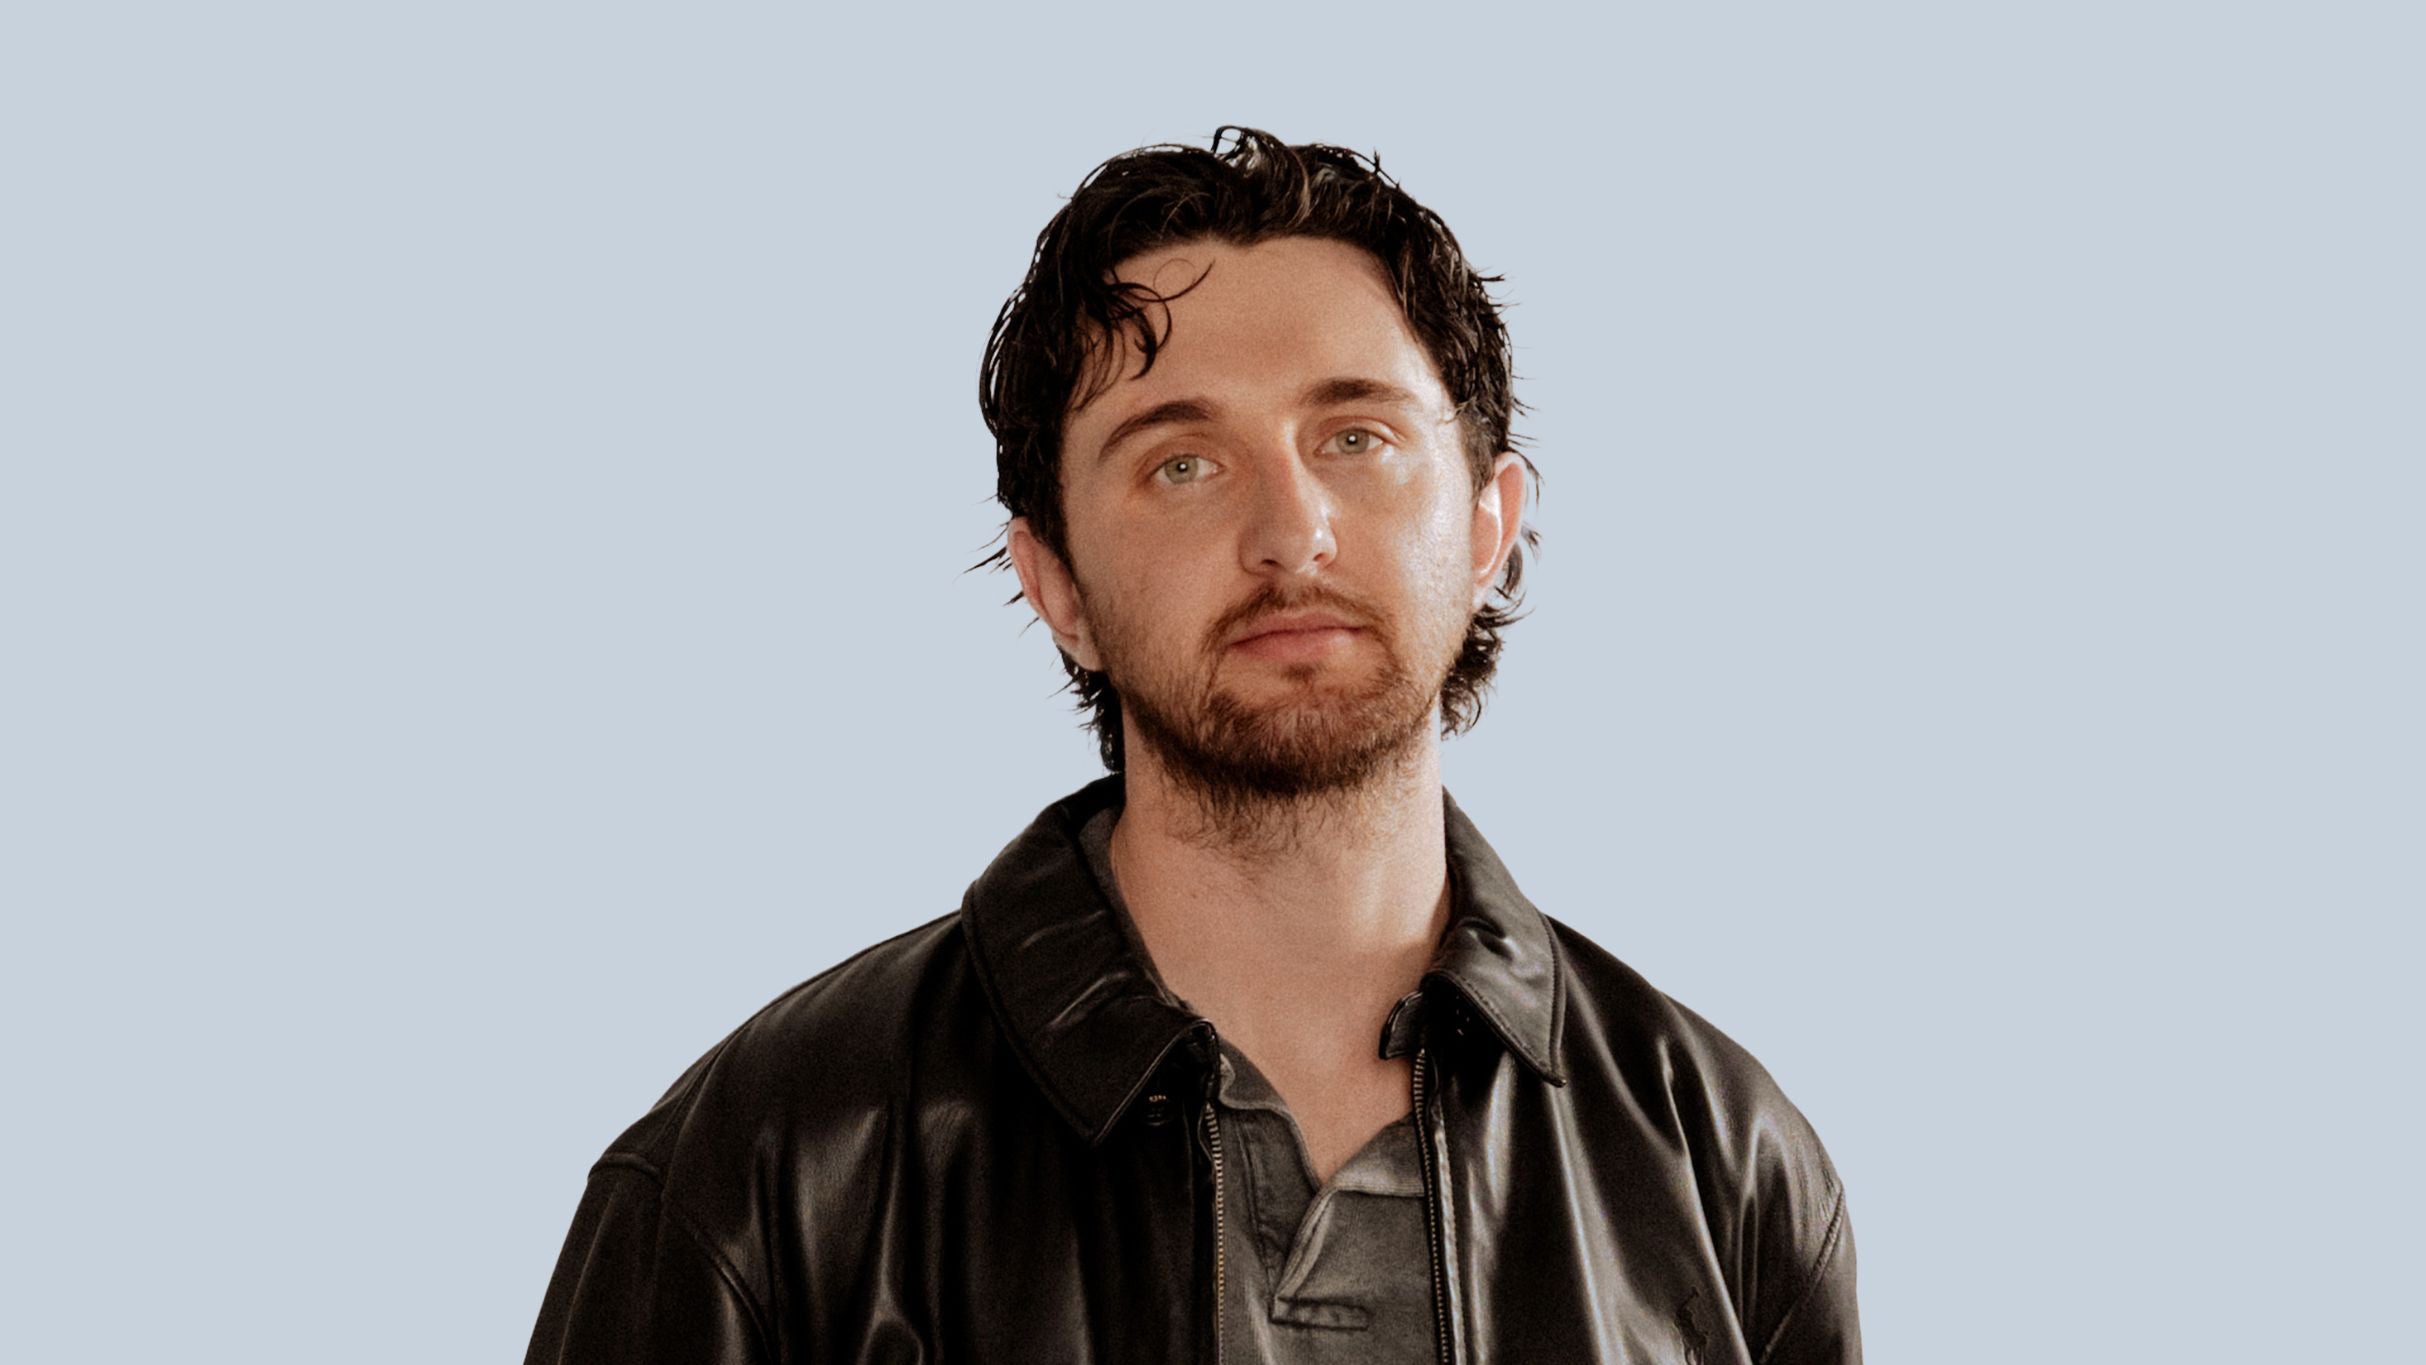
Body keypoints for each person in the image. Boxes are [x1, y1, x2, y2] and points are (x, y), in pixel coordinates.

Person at [525, 126, 1860, 1364]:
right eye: (1181, 463)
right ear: (1057, 584)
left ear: (1485, 525)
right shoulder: (764, 1170)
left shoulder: (1724, 1167)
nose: (1291, 532)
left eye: (1356, 437)